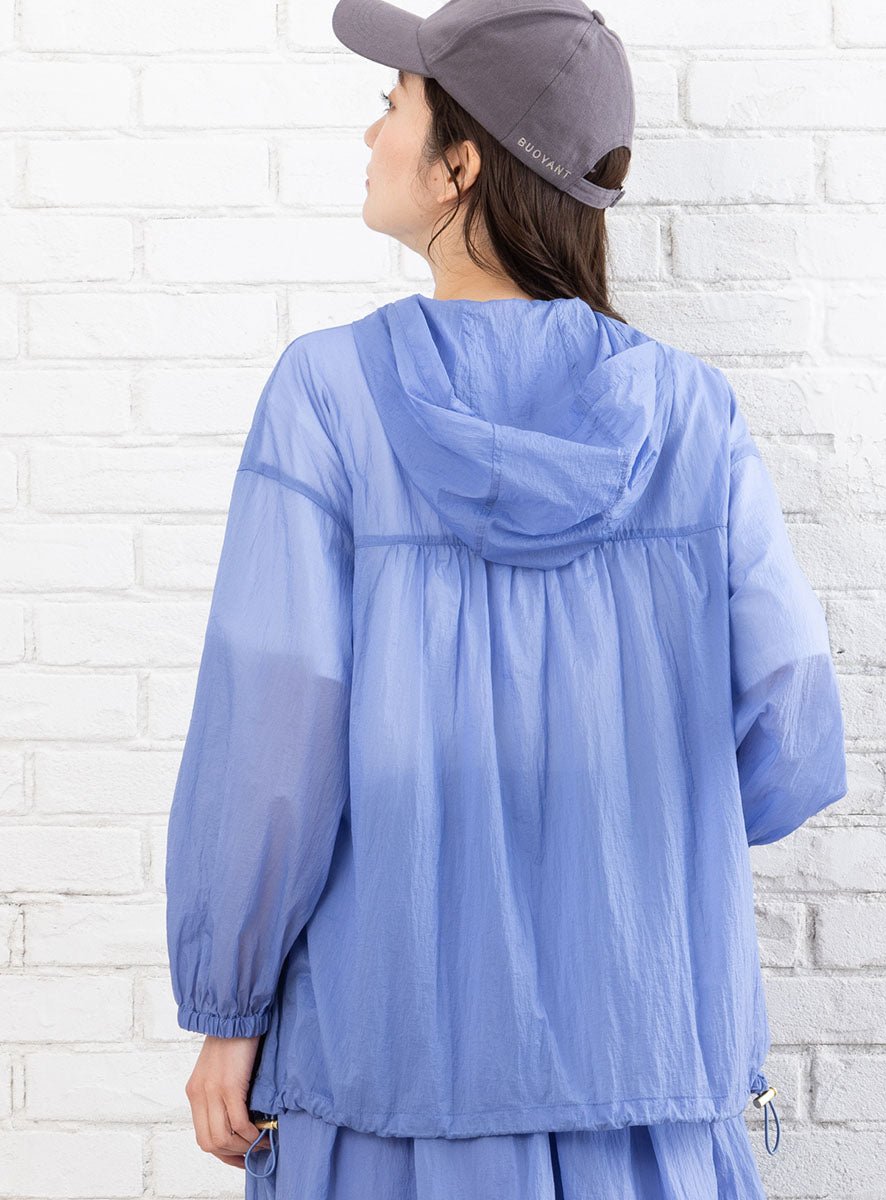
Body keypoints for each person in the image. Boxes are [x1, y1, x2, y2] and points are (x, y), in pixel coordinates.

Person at [163, 0, 849, 1196]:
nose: (370, 135)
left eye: (392, 107)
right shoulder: (694, 415)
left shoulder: (328, 398)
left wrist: (229, 1008)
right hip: (647, 1060)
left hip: (387, 1065)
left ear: (462, 164)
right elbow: (790, 729)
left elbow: (273, 731)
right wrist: (623, 830)